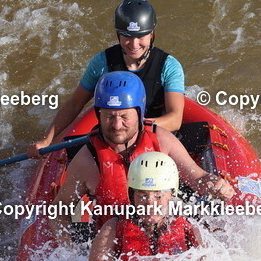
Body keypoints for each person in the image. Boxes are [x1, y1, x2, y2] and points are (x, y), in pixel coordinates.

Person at [48, 71, 238, 247]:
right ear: (98, 115)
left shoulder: (161, 140)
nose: (116, 125)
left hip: (168, 236)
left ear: (139, 113)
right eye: (109, 117)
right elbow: (59, 210)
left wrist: (215, 184)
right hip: (117, 246)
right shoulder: (87, 160)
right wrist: (69, 249)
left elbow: (197, 179)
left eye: (124, 116)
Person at [29, 0, 184, 158]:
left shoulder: (169, 66)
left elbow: (175, 119)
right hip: (113, 136)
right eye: (127, 36)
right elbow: (75, 104)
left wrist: (133, 127)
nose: (134, 44)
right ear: (118, 35)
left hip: (153, 136)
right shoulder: (101, 63)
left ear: (151, 34)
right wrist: (46, 140)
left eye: (141, 36)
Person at [84, 151, 202, 261]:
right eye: (142, 195)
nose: (150, 203)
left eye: (158, 196)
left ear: (172, 195)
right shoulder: (113, 229)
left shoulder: (189, 225)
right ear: (132, 196)